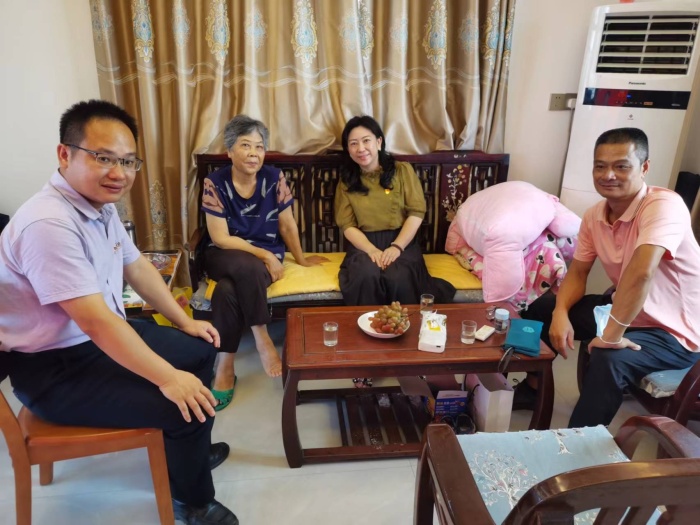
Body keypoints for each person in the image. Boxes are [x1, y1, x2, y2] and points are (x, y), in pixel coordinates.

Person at [0, 100, 238, 525]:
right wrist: (168, 378)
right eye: (103, 157)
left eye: (128, 161)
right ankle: (192, 502)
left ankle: (187, 452)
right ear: (65, 154)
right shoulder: (48, 224)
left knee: (199, 349)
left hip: (96, 340)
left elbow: (137, 267)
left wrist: (185, 321)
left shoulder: (99, 206)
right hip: (55, 370)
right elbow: (96, 321)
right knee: (179, 403)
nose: (119, 173)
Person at [520, 127, 700, 428]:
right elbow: (579, 271)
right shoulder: (595, 215)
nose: (609, 175)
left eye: (621, 166)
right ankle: (532, 390)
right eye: (600, 166)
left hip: (675, 332)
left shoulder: (663, 206)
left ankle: (578, 444)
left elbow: (641, 273)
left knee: (609, 358)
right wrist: (560, 312)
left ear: (644, 167)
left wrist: (611, 337)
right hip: (626, 310)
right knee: (540, 310)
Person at [201, 115, 327, 408]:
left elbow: (287, 225)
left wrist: (301, 259)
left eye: (259, 147)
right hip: (224, 255)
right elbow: (220, 238)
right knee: (247, 265)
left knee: (227, 291)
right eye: (245, 145)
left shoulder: (274, 178)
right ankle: (262, 337)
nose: (253, 153)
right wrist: (267, 255)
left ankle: (225, 366)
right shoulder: (214, 182)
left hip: (259, 264)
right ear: (229, 150)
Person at [334, 116, 455, 387]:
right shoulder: (347, 180)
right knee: (365, 274)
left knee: (398, 276)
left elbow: (416, 212)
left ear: (378, 142)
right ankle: (366, 356)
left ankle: (407, 353)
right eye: (353, 143)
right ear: (348, 149)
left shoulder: (401, 170)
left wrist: (397, 247)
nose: (360, 148)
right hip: (363, 243)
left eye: (366, 141)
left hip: (402, 241)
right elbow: (347, 225)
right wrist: (371, 250)